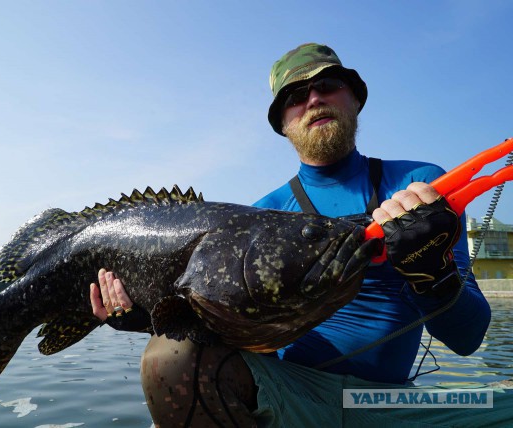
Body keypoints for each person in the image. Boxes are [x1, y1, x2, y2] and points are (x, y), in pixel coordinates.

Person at [89, 43, 493, 427]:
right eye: (295, 96)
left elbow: (468, 338)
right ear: (282, 123)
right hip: (293, 395)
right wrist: (151, 321)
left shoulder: (420, 186)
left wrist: (435, 276)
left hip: (393, 402)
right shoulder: (257, 217)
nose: (314, 99)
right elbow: (220, 331)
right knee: (170, 355)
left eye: (328, 85)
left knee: (493, 404)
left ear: (355, 98)